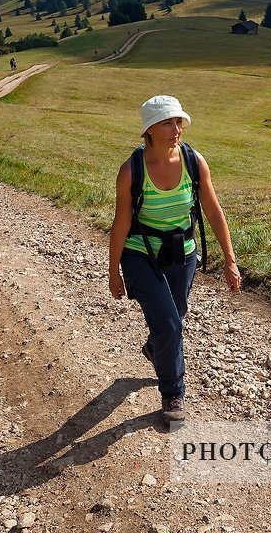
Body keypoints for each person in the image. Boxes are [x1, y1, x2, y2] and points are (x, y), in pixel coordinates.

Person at [109, 95, 240, 425]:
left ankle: (156, 349)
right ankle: (173, 394)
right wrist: (113, 271)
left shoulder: (194, 161)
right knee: (169, 324)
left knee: (174, 318)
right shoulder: (131, 170)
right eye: (168, 122)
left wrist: (229, 258)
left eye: (178, 121)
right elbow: (121, 222)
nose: (176, 128)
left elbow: (212, 210)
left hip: (181, 253)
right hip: (140, 254)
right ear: (149, 129)